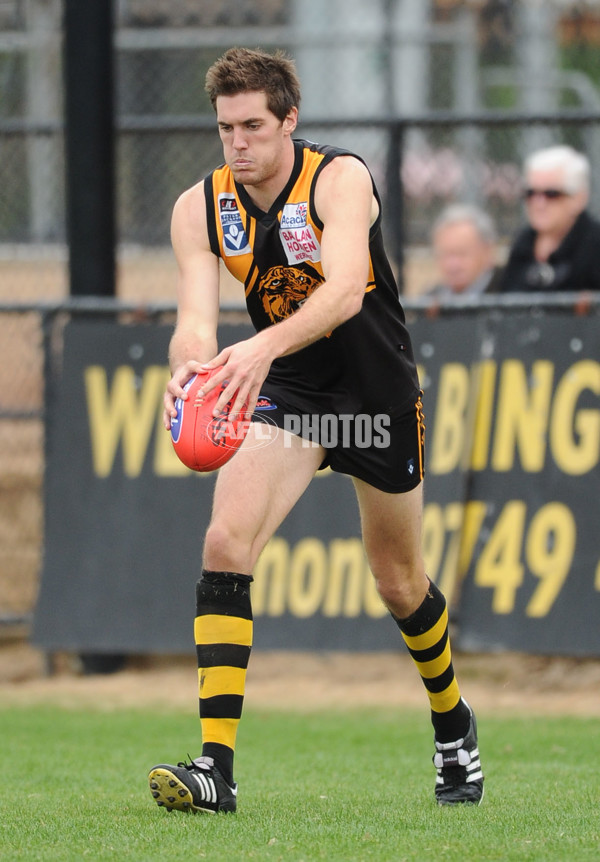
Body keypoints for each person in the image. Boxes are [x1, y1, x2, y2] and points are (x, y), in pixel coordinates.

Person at [148, 47, 484, 814]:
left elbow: (338, 294)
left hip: (374, 393)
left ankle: (452, 721)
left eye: (255, 125)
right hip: (292, 394)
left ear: (289, 120)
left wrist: (258, 346)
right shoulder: (198, 208)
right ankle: (215, 768)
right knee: (226, 544)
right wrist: (193, 371)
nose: (239, 142)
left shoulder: (339, 179)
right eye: (227, 127)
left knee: (399, 583)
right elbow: (195, 322)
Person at [499, 145, 600, 292]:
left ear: (579, 198)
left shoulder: (594, 247)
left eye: (552, 194)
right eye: (531, 193)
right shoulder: (523, 244)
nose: (539, 204)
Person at [428, 203, 501, 298]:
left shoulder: (512, 294)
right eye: (446, 255)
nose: (453, 265)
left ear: (487, 252)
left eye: (461, 254)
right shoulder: (429, 302)